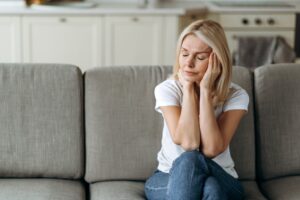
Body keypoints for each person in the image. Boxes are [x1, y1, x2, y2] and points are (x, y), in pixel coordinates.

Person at [144, 19, 249, 200]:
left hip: (222, 176)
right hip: (167, 175)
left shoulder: (236, 95)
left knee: (203, 172)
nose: (189, 63)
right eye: (184, 54)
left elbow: (211, 149)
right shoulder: (167, 89)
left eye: (200, 57)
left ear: (218, 60)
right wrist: (188, 89)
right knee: (205, 181)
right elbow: (189, 142)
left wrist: (206, 91)